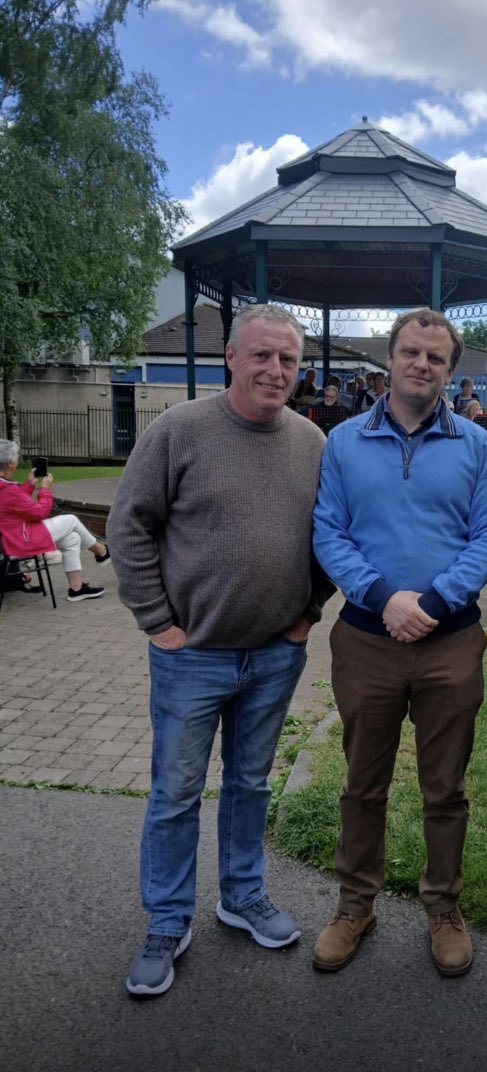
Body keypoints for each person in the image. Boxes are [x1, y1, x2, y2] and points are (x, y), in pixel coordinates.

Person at [108, 305, 332, 998]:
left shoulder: (312, 442)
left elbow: (332, 532)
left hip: (274, 655)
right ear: (231, 356)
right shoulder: (179, 431)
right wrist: (158, 622)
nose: (275, 371)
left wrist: (308, 612)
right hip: (190, 655)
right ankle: (167, 921)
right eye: (262, 356)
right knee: (176, 792)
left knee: (250, 784)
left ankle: (241, 895)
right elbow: (129, 526)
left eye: (288, 360)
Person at [312, 308, 487, 977]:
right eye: (410, 353)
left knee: (444, 788)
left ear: (450, 371)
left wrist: (432, 600)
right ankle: (354, 904)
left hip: (450, 640)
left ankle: (443, 907)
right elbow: (328, 532)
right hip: (366, 638)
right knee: (361, 784)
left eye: (435, 357)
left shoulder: (477, 446)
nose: (421, 365)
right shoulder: (342, 443)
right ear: (389, 361)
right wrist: (380, 597)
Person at [0, 440, 108, 601]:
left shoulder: (5, 487)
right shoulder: (7, 489)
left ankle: (76, 589)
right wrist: (44, 489)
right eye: (16, 455)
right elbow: (40, 512)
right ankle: (102, 552)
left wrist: (29, 484)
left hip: (13, 537)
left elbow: (15, 504)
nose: (18, 457)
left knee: (72, 538)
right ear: (10, 463)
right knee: (71, 520)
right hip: (21, 540)